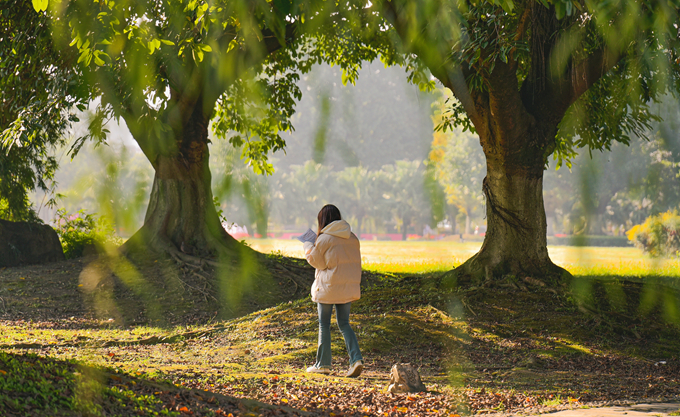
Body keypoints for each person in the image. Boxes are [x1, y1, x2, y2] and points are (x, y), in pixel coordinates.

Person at [302, 204, 363, 377]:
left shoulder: (324, 239)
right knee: (344, 324)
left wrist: (308, 245)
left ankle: (323, 364)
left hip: (328, 287)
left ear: (323, 220)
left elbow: (319, 263)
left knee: (324, 324)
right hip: (347, 287)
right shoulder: (352, 237)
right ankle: (356, 360)